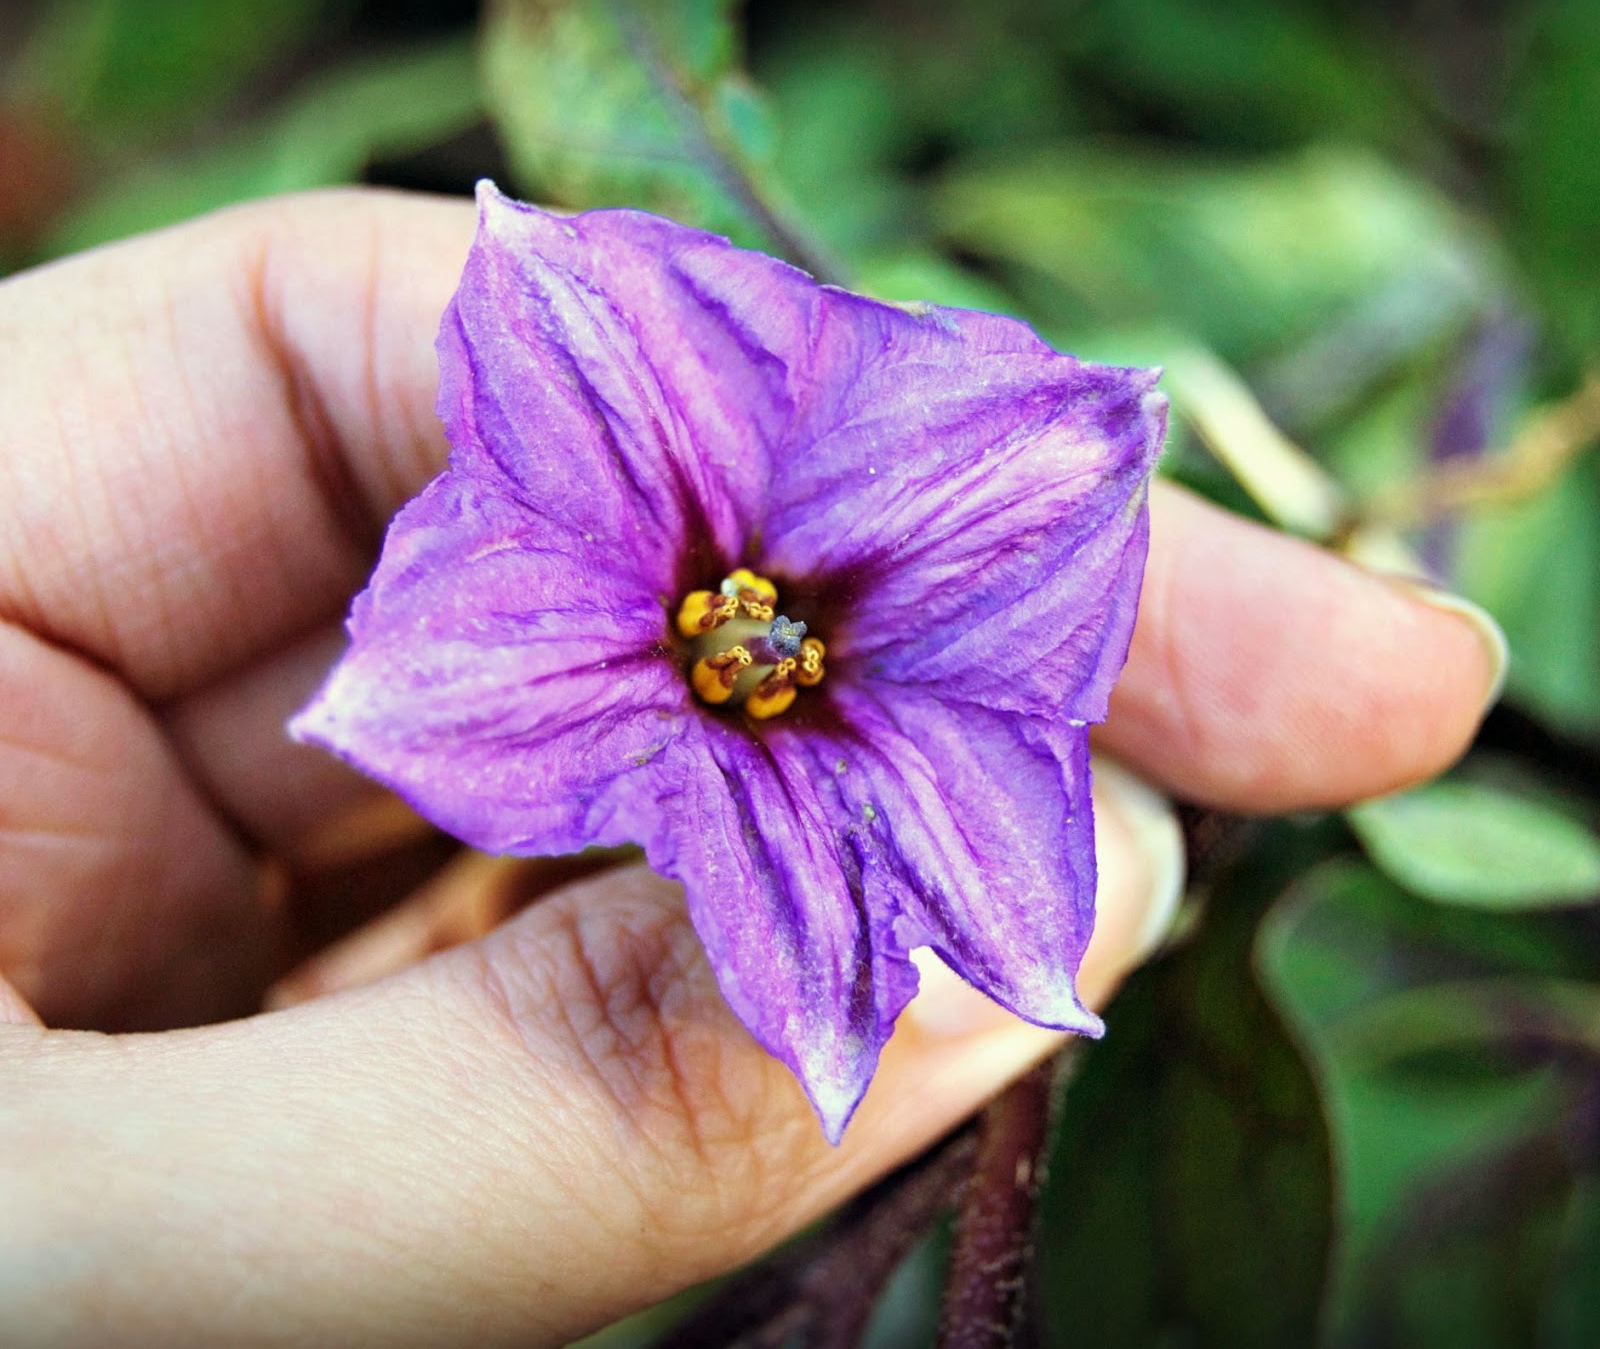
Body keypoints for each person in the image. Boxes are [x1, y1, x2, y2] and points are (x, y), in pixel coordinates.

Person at [0, 190, 1503, 1346]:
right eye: (742, 638)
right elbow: (439, 657)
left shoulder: (941, 488)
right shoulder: (594, 541)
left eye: (753, 640)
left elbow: (1061, 448)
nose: (753, 642)